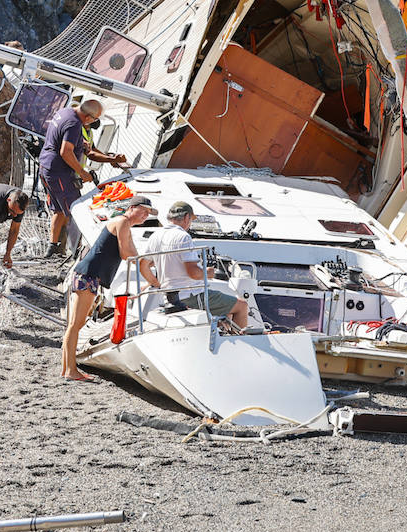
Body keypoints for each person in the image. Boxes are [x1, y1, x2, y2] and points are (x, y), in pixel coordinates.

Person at [60, 196, 156, 381]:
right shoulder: (122, 222)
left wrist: (150, 271)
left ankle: (67, 369)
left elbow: (134, 256)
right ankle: (70, 370)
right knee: (75, 325)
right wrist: (148, 266)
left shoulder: (125, 225)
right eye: (143, 210)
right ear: (132, 208)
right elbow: (126, 254)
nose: (145, 215)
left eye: (148, 213)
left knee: (75, 325)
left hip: (90, 275)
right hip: (88, 274)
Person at [139, 201, 251, 329]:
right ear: (186, 217)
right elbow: (194, 273)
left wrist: (158, 285)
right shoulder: (183, 237)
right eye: (191, 219)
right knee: (241, 306)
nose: (190, 223)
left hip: (170, 297)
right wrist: (209, 273)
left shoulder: (155, 236)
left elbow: (143, 265)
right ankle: (241, 342)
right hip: (191, 296)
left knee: (227, 310)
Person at [39, 99, 128, 257]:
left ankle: (52, 247)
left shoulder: (65, 112)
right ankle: (77, 253)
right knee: (76, 211)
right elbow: (66, 152)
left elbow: (89, 150)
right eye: (95, 119)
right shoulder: (74, 124)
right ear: (87, 117)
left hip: (47, 167)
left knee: (59, 210)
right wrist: (82, 172)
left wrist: (110, 159)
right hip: (59, 172)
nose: (94, 122)